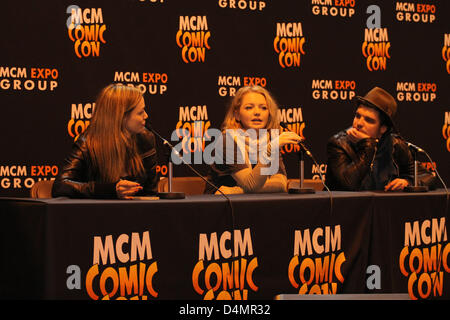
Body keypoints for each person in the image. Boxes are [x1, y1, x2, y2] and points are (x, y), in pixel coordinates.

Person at [52, 84, 158, 199]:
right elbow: (60, 186)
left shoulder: (145, 139)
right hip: (97, 214)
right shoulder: (87, 143)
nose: (146, 116)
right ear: (121, 116)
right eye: (140, 112)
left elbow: (150, 193)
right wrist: (110, 190)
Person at [204, 85, 303, 194]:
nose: (257, 112)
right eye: (249, 107)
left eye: (263, 108)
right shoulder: (227, 141)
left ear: (269, 114)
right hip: (221, 206)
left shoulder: (270, 139)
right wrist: (270, 150)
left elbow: (281, 184)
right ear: (237, 114)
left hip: (253, 205)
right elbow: (250, 185)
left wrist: (237, 191)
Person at [325, 86, 414, 191]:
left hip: (384, 206)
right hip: (345, 206)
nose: (359, 123)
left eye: (368, 120)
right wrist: (368, 145)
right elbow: (348, 185)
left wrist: (407, 181)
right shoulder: (339, 144)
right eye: (358, 116)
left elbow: (426, 176)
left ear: (383, 128)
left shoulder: (395, 144)